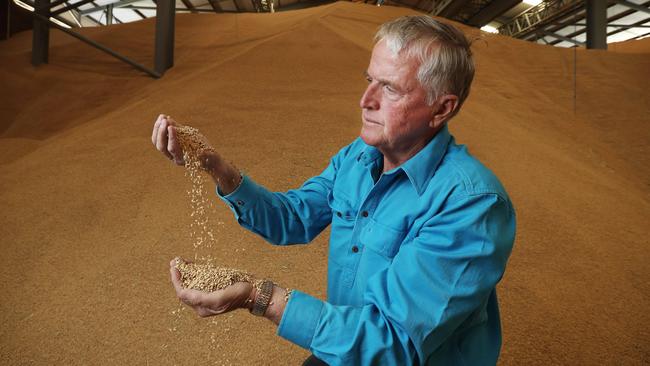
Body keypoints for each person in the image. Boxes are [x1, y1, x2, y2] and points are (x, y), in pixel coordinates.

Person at [152, 15, 516, 366]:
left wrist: (258, 295)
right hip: (345, 344)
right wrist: (217, 167)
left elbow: (393, 345)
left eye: (389, 88)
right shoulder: (358, 157)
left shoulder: (472, 205)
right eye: (369, 79)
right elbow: (292, 218)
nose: (365, 99)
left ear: (442, 108)